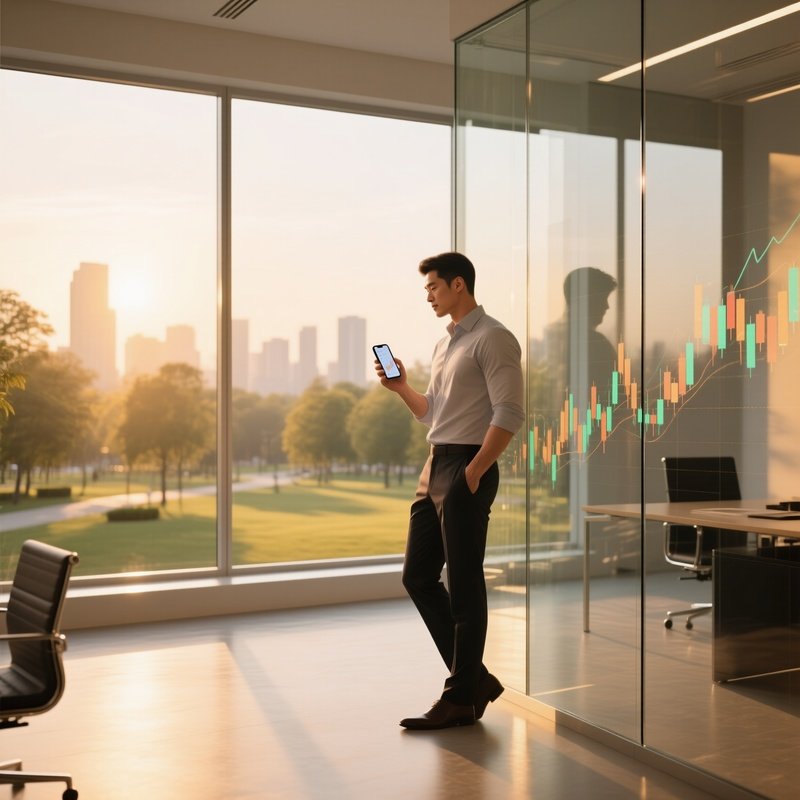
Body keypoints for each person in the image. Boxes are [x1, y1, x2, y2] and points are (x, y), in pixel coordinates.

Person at [375, 251, 524, 730]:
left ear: (459, 284)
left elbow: (509, 412)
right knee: (418, 576)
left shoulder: (494, 338)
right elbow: (433, 413)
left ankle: (460, 696)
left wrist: (475, 471)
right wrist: (402, 388)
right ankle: (475, 681)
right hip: (435, 463)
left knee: (463, 582)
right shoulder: (445, 345)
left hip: (467, 466)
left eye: (433, 287)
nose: (429, 297)